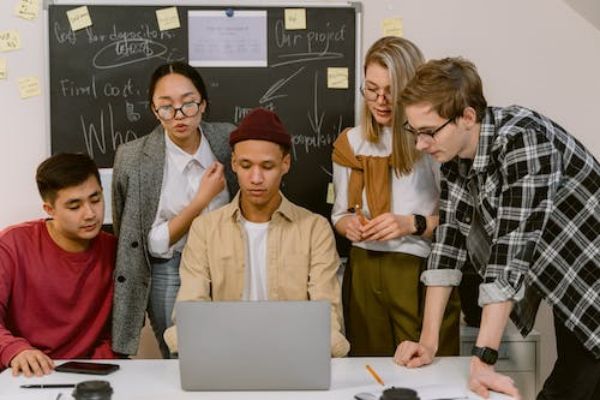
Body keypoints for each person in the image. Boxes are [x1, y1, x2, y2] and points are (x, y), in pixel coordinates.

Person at [394, 57, 600, 400]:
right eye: (414, 132)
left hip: (591, 281)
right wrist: (427, 343)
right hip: (574, 284)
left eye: (428, 132)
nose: (420, 145)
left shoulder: (524, 142)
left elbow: (509, 256)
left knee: (568, 389)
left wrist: (483, 360)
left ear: (467, 117)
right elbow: (447, 247)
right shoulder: (455, 159)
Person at [163, 108, 350, 357]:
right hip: (225, 353)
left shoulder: (314, 229)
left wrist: (329, 344)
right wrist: (191, 338)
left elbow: (325, 311)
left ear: (285, 164)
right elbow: (191, 305)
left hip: (292, 353)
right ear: (233, 164)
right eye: (246, 165)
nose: (256, 178)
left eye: (267, 166)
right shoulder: (205, 229)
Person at [331, 36, 460, 356]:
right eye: (371, 89)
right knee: (367, 369)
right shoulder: (351, 142)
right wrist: (350, 226)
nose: (380, 100)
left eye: (391, 90)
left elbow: (461, 223)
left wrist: (411, 224)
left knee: (425, 366)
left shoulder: (432, 140)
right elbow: (339, 214)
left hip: (417, 270)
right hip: (362, 269)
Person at [111, 62, 237, 358]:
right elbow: (143, 241)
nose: (179, 115)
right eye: (166, 107)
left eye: (188, 104)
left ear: (203, 104)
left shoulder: (227, 140)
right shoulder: (133, 158)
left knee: (231, 353)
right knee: (181, 356)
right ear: (154, 110)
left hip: (228, 263)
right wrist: (200, 201)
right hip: (170, 268)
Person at [0, 153, 117, 377]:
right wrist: (15, 350)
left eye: (96, 199)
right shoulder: (11, 245)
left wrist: (102, 361)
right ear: (49, 210)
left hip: (92, 375)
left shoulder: (116, 251)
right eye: (74, 206)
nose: (90, 214)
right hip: (24, 373)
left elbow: (123, 327)